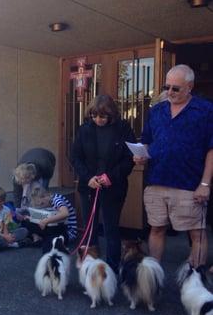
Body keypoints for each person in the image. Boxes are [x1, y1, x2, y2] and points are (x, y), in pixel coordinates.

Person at [135, 65, 212, 267]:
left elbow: (211, 149)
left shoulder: (205, 110)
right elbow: (147, 140)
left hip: (189, 183)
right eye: (166, 86)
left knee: (197, 232)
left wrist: (205, 184)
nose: (169, 92)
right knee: (156, 228)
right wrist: (141, 155)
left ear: (190, 87)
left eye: (175, 88)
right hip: (157, 181)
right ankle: (153, 279)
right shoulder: (157, 111)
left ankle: (196, 282)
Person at [72, 94, 136, 273]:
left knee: (111, 229)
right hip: (89, 186)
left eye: (102, 116)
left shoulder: (123, 129)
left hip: (113, 186)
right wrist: (88, 178)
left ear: (111, 115)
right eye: (94, 116)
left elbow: (128, 159)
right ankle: (89, 271)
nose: (98, 120)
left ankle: (112, 271)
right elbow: (76, 157)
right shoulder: (85, 129)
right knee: (89, 229)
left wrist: (111, 177)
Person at [17, 188, 77, 254]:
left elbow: (65, 213)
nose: (42, 206)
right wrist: (31, 218)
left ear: (47, 196)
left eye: (42, 203)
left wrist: (46, 221)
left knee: (47, 247)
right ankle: (41, 238)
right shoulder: (49, 201)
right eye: (39, 205)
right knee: (26, 222)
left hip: (67, 231)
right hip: (55, 227)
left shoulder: (57, 199)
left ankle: (44, 240)